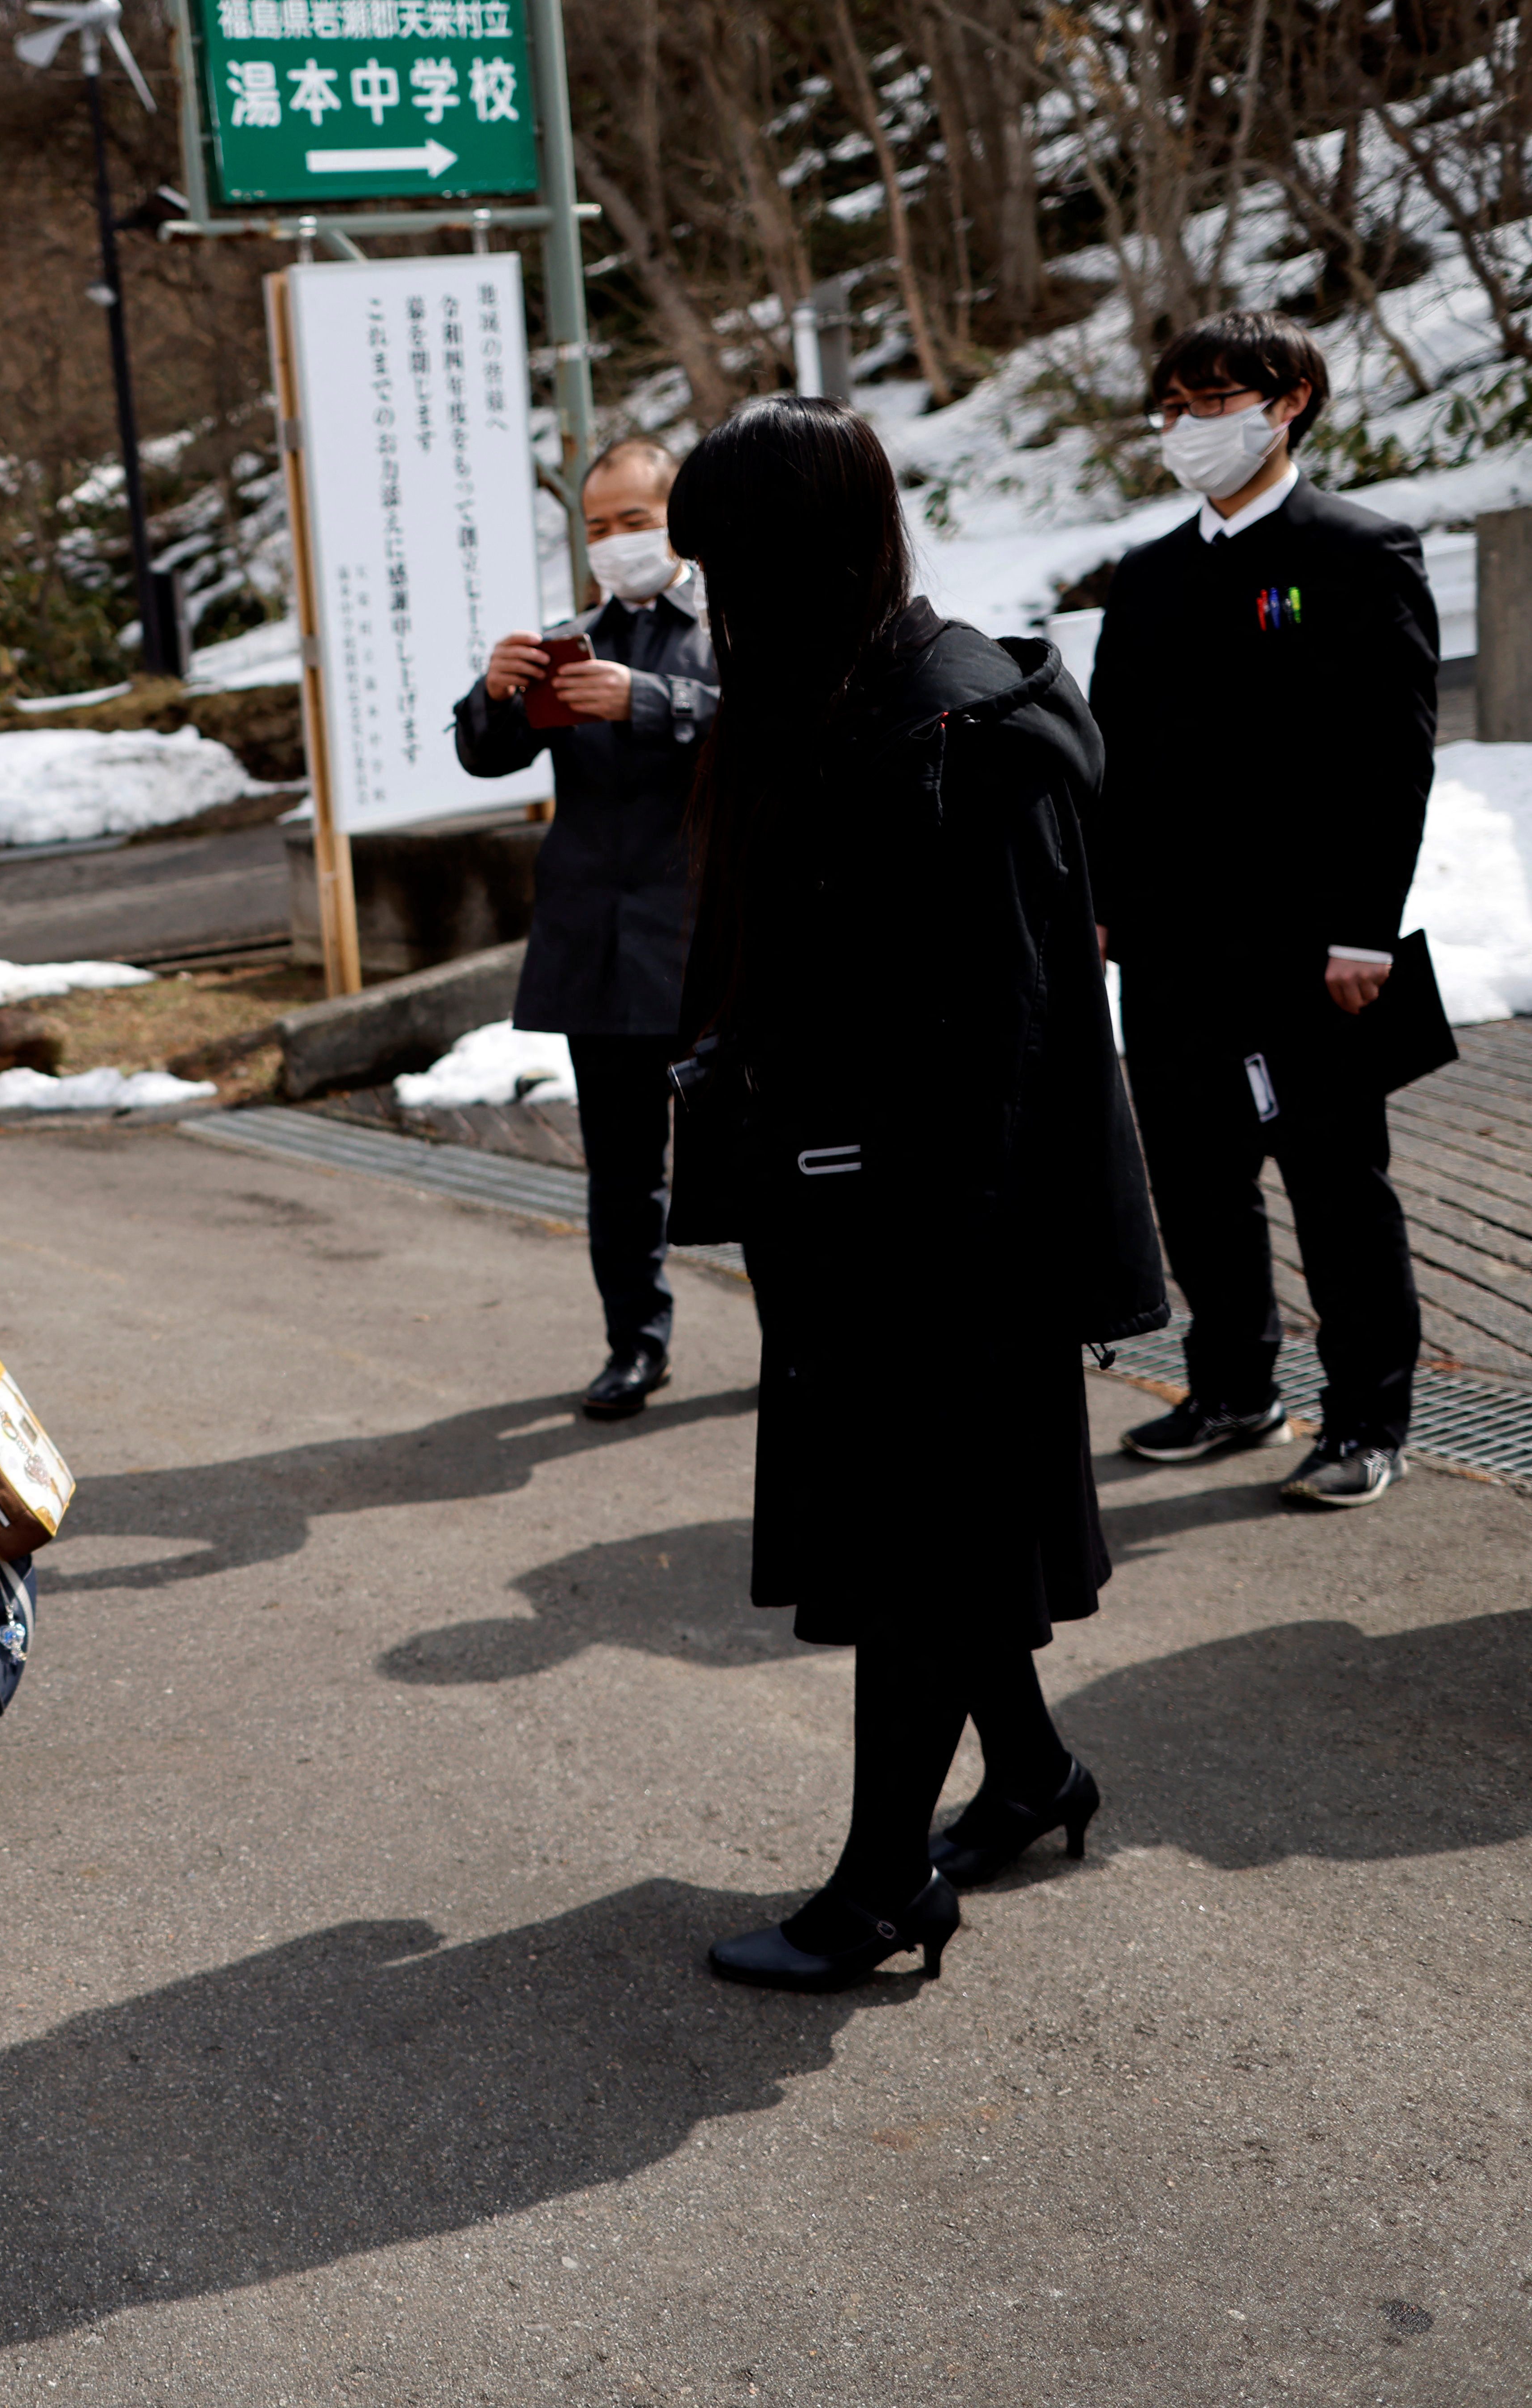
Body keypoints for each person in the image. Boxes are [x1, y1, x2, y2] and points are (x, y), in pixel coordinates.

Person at [663, 398, 1168, 1992]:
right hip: (856, 1218)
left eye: (718, 571)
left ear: (791, 557)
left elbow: (1014, 1040)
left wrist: (930, 1232)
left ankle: (884, 1888)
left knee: (923, 1546)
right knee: (939, 1531)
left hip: (955, 1233)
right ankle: (1026, 1780)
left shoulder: (960, 728)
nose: (701, 608)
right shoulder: (827, 699)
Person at [1087, 311, 1442, 1509]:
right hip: (1171, 943)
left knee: (1337, 1182)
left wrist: (1363, 928)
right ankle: (1232, 1385)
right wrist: (1096, 906)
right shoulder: (1143, 578)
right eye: (1176, 407)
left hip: (1312, 946)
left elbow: (1391, 760)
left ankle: (1364, 1418)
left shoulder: (1359, 549)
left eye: (1215, 400)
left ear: (1287, 401)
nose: (1192, 426)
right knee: (1192, 1178)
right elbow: (1110, 765)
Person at [455, 436, 718, 1419]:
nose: (615, 542)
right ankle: (635, 1343)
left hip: (711, 940)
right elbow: (486, 758)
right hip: (599, 945)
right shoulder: (570, 640)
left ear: (679, 520)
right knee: (620, 1169)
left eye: (635, 520)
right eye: (598, 526)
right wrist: (492, 694)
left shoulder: (735, 622)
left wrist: (650, 702)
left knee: (754, 1151)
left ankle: (806, 1339)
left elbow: (781, 727)